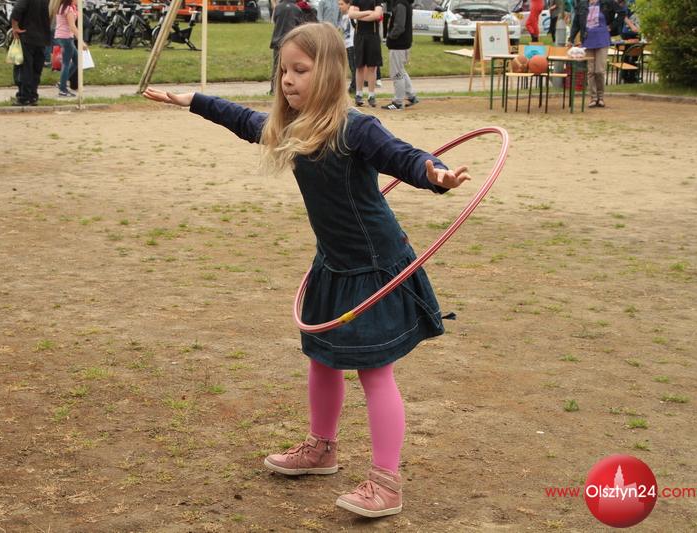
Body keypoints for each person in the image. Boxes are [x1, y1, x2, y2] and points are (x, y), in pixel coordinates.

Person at [143, 23, 471, 518]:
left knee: (373, 372)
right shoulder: (294, 127)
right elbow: (244, 119)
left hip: (373, 267)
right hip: (332, 264)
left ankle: (387, 481)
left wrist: (434, 174)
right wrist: (193, 100)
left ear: (331, 73)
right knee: (322, 358)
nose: (287, 80)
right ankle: (322, 448)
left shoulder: (356, 128)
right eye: (283, 70)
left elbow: (402, 157)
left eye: (300, 70)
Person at [569, 0, 620, 107]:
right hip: (588, 40)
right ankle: (593, 98)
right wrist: (571, 38)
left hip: (602, 39)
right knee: (591, 71)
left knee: (599, 71)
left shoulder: (606, 2)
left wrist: (612, 26)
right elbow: (576, 23)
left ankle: (600, 97)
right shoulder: (582, 4)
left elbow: (622, 12)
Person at [11, 0, 51, 106]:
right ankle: (33, 95)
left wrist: (15, 27)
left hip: (27, 36)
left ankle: (24, 97)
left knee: (25, 68)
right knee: (36, 69)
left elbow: (17, 10)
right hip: (42, 37)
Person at [381, 0, 418, 110]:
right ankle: (411, 96)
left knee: (396, 73)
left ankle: (398, 102)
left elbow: (399, 27)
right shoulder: (404, 3)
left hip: (398, 44)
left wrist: (390, 37)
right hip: (403, 44)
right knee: (401, 71)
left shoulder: (400, 4)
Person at [349, 0, 383, 107]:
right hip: (359, 35)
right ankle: (359, 94)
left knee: (372, 67)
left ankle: (371, 95)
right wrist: (368, 12)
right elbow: (351, 14)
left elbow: (377, 15)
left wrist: (359, 15)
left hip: (373, 35)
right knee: (359, 66)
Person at [52, 0, 85, 97]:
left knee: (77, 61)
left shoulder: (64, 7)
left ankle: (62, 82)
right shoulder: (68, 9)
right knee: (66, 63)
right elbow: (72, 27)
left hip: (64, 37)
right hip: (65, 38)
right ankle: (63, 90)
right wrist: (81, 41)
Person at [269, 0, 302, 95]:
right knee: (290, 68)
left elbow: (274, 20)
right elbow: (299, 25)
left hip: (278, 41)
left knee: (277, 67)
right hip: (291, 41)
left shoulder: (278, 7)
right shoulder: (297, 9)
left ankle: (274, 89)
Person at [338, 0, 356, 93]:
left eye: (342, 4)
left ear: (348, 4)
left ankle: (354, 86)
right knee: (351, 66)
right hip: (347, 44)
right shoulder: (343, 16)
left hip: (352, 43)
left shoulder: (351, 15)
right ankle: (354, 85)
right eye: (339, 4)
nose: (340, 6)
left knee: (354, 66)